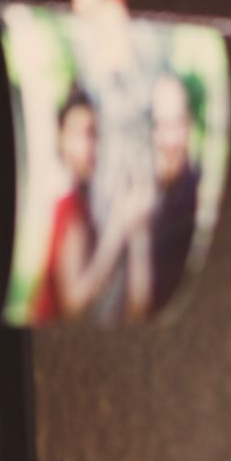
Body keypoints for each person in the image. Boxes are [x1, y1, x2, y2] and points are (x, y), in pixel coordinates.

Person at [30, 87, 151, 323]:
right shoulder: (70, 206)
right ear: (61, 139)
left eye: (92, 133)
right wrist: (117, 229)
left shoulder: (81, 202)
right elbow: (73, 303)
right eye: (76, 133)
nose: (86, 147)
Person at [145, 71, 201, 316]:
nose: (170, 139)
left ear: (189, 125)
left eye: (177, 123)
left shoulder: (199, 197)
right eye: (159, 124)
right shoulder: (140, 194)